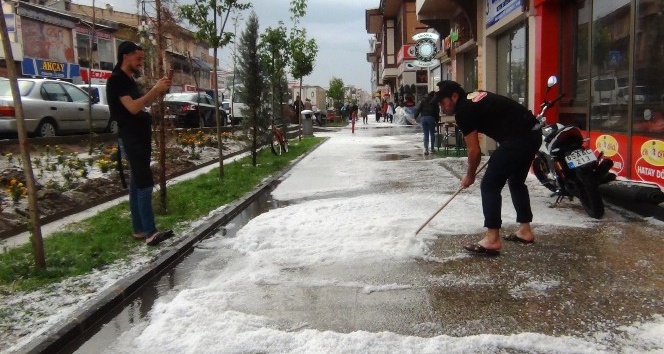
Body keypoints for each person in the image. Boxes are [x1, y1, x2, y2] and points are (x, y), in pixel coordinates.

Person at [433, 80, 542, 255]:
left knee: (490, 186)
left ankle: (492, 239)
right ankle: (525, 230)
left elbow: (474, 151)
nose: (442, 107)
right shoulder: (473, 97)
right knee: (516, 182)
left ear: (454, 96)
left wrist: (470, 175)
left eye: (442, 102)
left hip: (518, 139)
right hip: (533, 134)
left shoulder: (464, 111)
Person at [106, 41, 173, 246]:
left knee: (136, 184)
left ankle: (138, 229)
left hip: (138, 137)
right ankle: (150, 233)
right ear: (126, 55)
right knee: (145, 183)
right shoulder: (117, 80)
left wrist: (158, 91)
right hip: (131, 138)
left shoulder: (128, 79)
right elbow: (133, 108)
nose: (141, 62)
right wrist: (154, 89)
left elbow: (140, 104)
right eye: (139, 58)